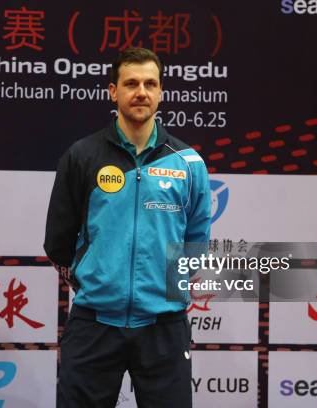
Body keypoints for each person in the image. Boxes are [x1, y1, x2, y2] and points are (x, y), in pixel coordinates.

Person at [44, 47, 212, 408]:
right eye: (131, 83)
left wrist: (165, 290)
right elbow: (58, 240)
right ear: (113, 91)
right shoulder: (82, 156)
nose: (141, 92)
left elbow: (197, 241)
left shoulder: (188, 162)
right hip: (94, 323)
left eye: (150, 83)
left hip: (163, 326)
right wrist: (97, 282)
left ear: (161, 92)